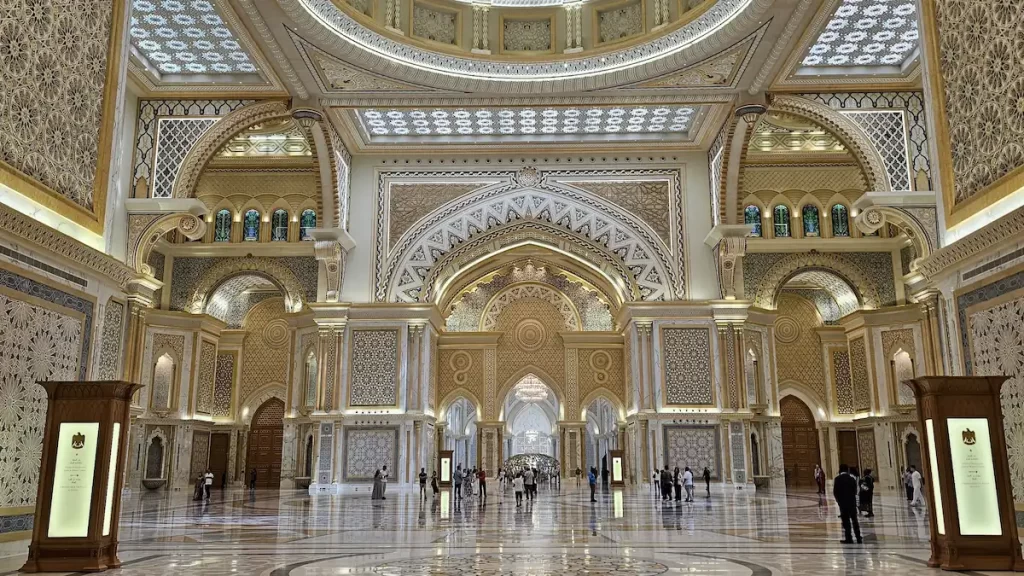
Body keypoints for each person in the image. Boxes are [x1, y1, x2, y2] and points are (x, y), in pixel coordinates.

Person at [833, 463, 862, 544]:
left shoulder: (837, 479)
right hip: (852, 503)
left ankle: (849, 538)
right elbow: (855, 490)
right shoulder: (852, 479)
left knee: (846, 522)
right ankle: (858, 537)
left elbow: (835, 492)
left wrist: (839, 502)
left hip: (843, 504)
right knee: (854, 521)